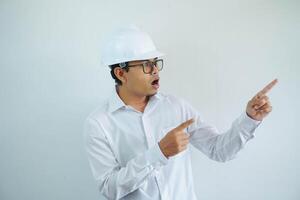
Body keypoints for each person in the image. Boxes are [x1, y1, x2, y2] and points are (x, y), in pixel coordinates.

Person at [83, 25, 278, 200]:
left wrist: (250, 119)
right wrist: (159, 153)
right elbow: (109, 188)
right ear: (121, 73)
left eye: (155, 62)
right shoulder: (99, 123)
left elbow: (219, 151)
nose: (155, 71)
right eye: (145, 64)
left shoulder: (176, 107)